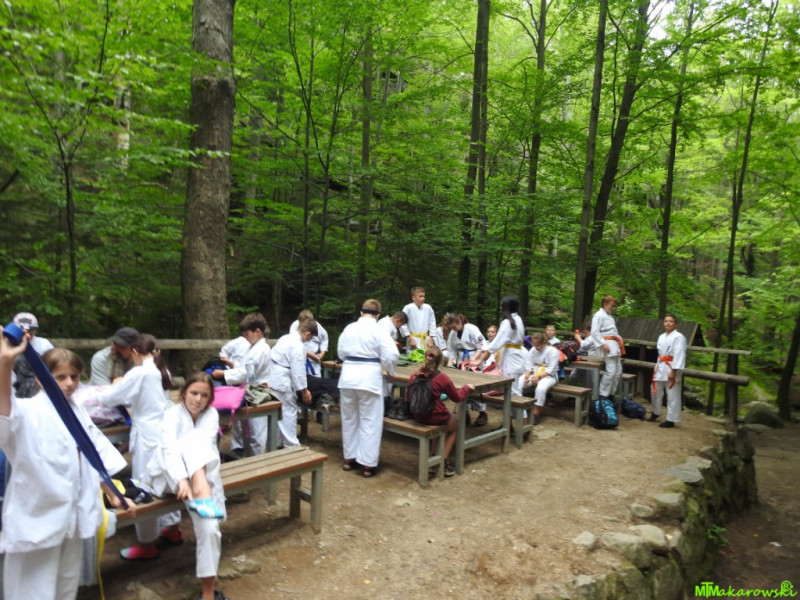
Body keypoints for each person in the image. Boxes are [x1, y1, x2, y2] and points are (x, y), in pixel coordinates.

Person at [0, 334, 135, 599]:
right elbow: (4, 415)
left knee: (65, 587)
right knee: (32, 590)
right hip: (38, 518)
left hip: (73, 516)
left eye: (74, 376)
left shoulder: (77, 411)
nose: (69, 383)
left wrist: (114, 495)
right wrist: (5, 364)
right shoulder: (26, 411)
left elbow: (94, 454)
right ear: (41, 379)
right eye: (60, 377)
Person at [142, 373, 230, 600]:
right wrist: (182, 480)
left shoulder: (211, 414)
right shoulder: (171, 414)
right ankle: (201, 487)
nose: (198, 400)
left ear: (210, 398)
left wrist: (194, 479)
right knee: (188, 442)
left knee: (210, 529)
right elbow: (170, 450)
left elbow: (205, 447)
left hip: (200, 476)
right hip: (169, 478)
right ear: (183, 393)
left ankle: (208, 592)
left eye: (204, 395)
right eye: (194, 393)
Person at [96, 333, 180, 560]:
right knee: (167, 480)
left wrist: (117, 384)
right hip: (164, 431)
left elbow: (108, 398)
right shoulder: (162, 370)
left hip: (147, 436)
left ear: (135, 352)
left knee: (145, 485)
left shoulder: (139, 372)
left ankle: (147, 543)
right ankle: (172, 529)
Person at [337, 299, 399, 478]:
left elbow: (341, 353)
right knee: (370, 421)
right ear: (378, 315)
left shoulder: (349, 329)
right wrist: (391, 371)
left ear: (361, 312)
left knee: (349, 419)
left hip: (348, 376)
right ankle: (368, 464)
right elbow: (392, 354)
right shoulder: (379, 330)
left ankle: (349, 459)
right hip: (369, 378)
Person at [210, 313, 271, 457]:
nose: (246, 337)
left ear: (257, 331)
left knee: (256, 433)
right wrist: (232, 365)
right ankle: (248, 459)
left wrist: (223, 374)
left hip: (257, 394)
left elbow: (246, 373)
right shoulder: (253, 347)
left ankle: (257, 463)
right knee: (247, 432)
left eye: (247, 334)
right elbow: (244, 367)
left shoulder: (262, 349)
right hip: (248, 392)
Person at [407, 347, 474, 477]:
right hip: (435, 416)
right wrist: (466, 388)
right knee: (453, 426)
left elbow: (408, 397)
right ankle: (443, 461)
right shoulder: (442, 377)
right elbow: (457, 398)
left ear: (424, 358)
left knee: (438, 426)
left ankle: (434, 457)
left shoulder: (414, 375)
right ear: (440, 361)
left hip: (418, 415)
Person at [270, 320, 316, 447]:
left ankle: (278, 441)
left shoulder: (285, 338)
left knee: (278, 411)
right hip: (282, 380)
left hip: (273, 377)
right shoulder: (298, 346)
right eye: (310, 337)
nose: (309, 340)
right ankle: (291, 445)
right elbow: (298, 371)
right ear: (307, 334)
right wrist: (304, 391)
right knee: (289, 411)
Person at [469, 295, 527, 397]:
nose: (500, 308)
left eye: (502, 305)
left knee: (513, 390)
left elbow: (494, 345)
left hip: (511, 358)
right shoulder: (518, 319)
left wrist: (480, 360)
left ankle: (517, 408)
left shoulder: (507, 322)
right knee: (513, 388)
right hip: (516, 356)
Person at [445, 314, 489, 426]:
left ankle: (483, 412)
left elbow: (481, 345)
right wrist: (449, 366)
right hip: (462, 361)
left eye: (454, 326)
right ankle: (465, 413)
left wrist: (475, 358)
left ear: (460, 322)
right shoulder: (453, 333)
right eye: (451, 327)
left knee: (476, 387)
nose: (453, 329)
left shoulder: (472, 329)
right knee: (463, 387)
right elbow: (451, 351)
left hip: (474, 359)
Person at [650, 314, 687, 429]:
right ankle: (655, 412)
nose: (668, 323)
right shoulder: (661, 336)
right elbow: (660, 354)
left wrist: (674, 371)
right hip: (661, 365)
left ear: (675, 324)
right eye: (666, 321)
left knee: (672, 394)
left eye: (671, 321)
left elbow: (679, 354)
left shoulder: (679, 337)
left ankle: (671, 419)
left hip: (671, 366)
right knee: (655, 390)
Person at [519, 332, 560, 424]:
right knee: (520, 381)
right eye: (535, 345)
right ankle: (519, 407)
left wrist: (539, 377)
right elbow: (529, 364)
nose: (537, 348)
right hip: (535, 372)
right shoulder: (533, 350)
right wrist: (527, 373)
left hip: (548, 376)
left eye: (539, 345)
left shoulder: (552, 351)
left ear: (544, 343)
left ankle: (536, 413)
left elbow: (551, 369)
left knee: (541, 387)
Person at [590, 295, 625, 405]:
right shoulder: (598, 315)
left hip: (615, 345)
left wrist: (619, 338)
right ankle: (603, 395)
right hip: (608, 345)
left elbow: (613, 332)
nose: (613, 308)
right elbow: (594, 332)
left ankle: (611, 394)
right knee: (611, 371)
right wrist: (602, 343)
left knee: (618, 371)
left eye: (614, 306)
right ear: (605, 304)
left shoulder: (609, 317)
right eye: (612, 306)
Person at [10, 312, 54, 398]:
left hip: (39, 388)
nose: (26, 332)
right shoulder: (8, 344)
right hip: (11, 387)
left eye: (30, 329)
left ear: (35, 330)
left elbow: (53, 366)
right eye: (21, 329)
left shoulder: (44, 344)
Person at [378, 312, 408, 417]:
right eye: (400, 325)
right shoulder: (385, 325)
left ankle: (393, 404)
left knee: (390, 386)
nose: (399, 327)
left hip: (387, 360)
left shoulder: (387, 323)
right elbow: (384, 342)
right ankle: (385, 409)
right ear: (397, 320)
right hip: (384, 360)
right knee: (385, 387)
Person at [289, 310, 329, 378]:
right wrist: (308, 353)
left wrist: (322, 352)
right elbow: (294, 343)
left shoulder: (316, 326)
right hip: (300, 358)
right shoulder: (295, 325)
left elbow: (324, 338)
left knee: (316, 381)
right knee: (300, 379)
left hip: (314, 360)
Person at [400, 287, 436, 352]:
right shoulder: (408, 308)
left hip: (425, 339)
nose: (423, 298)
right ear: (414, 298)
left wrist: (431, 337)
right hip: (413, 338)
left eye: (424, 296)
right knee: (413, 356)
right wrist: (409, 337)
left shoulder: (428, 308)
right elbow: (402, 323)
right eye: (420, 296)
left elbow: (432, 323)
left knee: (426, 356)